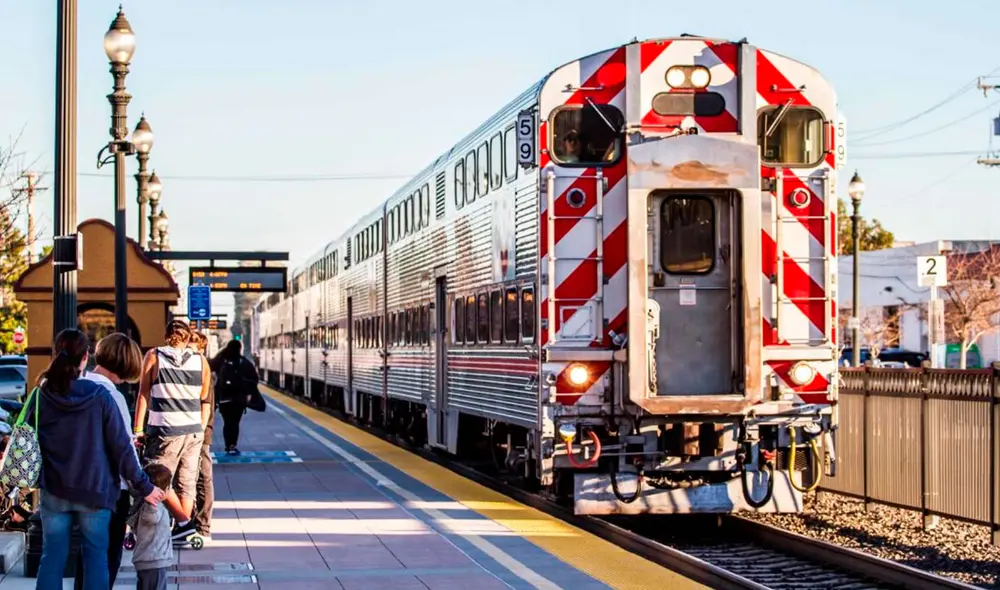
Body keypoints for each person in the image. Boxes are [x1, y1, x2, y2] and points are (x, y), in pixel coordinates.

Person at [30, 329, 164, 590]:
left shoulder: (42, 392)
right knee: (96, 560)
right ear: (85, 357)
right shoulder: (101, 396)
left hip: (54, 489)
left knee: (52, 558)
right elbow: (122, 448)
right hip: (95, 491)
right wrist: (144, 487)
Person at [73, 333, 143, 590]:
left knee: (86, 559)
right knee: (106, 560)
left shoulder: (78, 384)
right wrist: (141, 485)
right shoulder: (113, 397)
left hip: (78, 486)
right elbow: (123, 450)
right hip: (111, 490)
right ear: (127, 364)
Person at [134, 320, 211, 542]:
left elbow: (143, 394)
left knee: (155, 476)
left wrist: (138, 429)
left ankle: (184, 524)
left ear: (167, 335)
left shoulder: (154, 356)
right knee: (186, 484)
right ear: (187, 338)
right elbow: (204, 397)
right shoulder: (200, 360)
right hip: (194, 430)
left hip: (164, 430)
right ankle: (182, 530)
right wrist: (202, 426)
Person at [128, 462, 174, 590]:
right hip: (154, 561)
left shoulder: (143, 504)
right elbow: (151, 518)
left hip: (147, 561)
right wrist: (151, 503)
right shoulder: (152, 507)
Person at [210, 340, 258, 456]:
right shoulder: (243, 361)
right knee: (235, 423)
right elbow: (254, 379)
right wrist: (248, 392)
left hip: (224, 398)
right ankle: (233, 445)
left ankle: (227, 445)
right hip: (238, 399)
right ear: (239, 348)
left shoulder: (221, 359)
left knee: (227, 423)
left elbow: (210, 366)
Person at [189, 331, 214, 542]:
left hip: (200, 433)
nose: (188, 346)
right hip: (192, 431)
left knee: (203, 478)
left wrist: (199, 431)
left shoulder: (202, 366)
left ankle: (203, 526)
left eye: (192, 343)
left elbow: (205, 403)